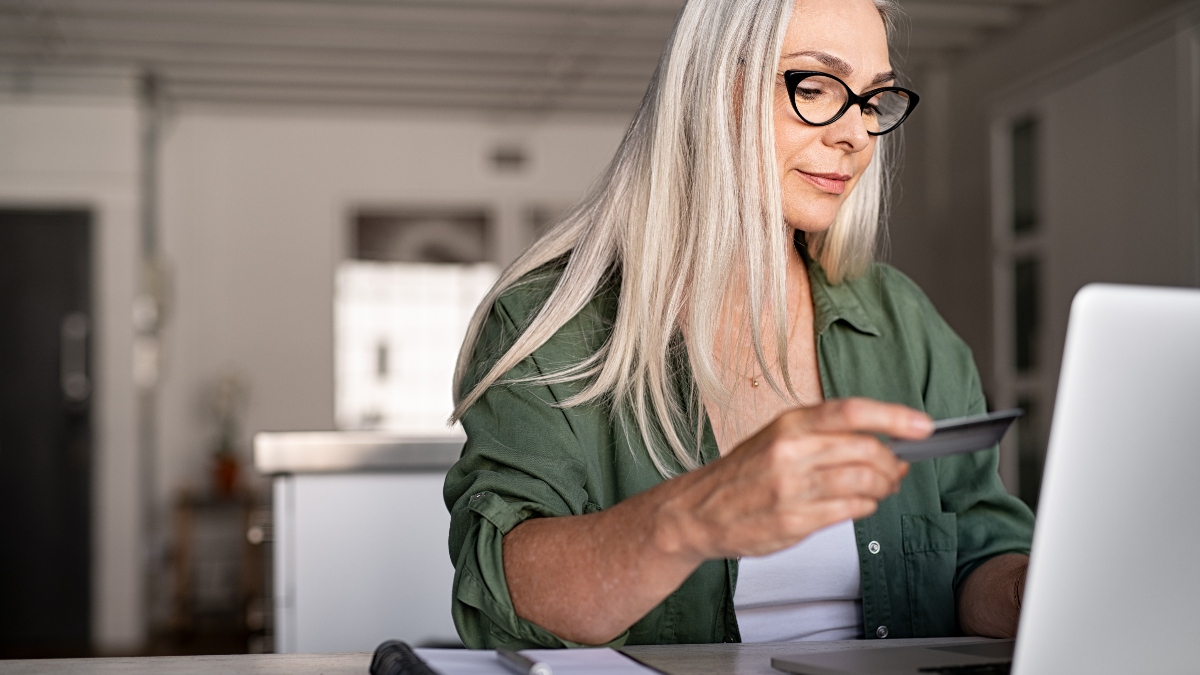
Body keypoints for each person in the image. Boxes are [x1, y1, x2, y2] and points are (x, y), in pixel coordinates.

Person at [444, 0, 1034, 649]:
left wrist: (1031, 591)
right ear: (709, 85)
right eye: (814, 87)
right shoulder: (549, 322)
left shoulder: (903, 321)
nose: (857, 135)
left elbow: (981, 548)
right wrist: (697, 515)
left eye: (872, 101)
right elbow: (503, 594)